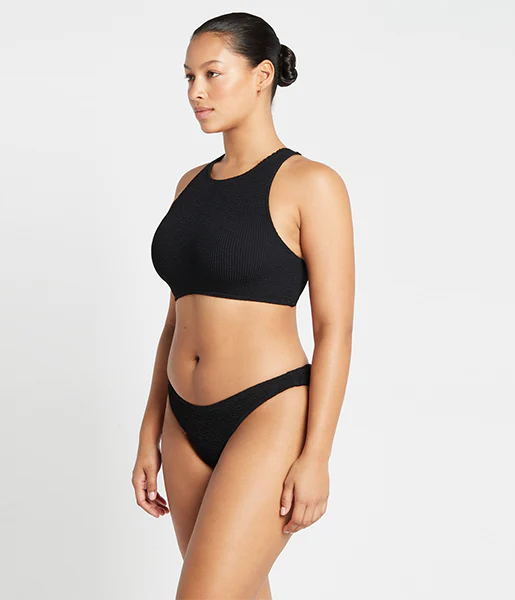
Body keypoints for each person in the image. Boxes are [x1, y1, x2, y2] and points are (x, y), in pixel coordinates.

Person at [132, 12, 355, 600]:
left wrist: (317, 456)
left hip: (267, 412)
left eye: (212, 73)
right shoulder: (188, 185)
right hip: (183, 420)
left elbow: (334, 330)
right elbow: (175, 319)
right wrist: (150, 429)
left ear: (262, 76)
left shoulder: (312, 183)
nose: (195, 92)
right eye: (188, 77)